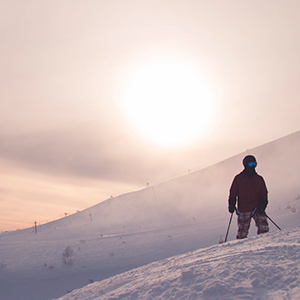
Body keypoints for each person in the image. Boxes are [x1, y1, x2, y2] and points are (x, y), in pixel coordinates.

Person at [228, 155, 269, 239]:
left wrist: (262, 205)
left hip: (257, 207)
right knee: (242, 231)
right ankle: (241, 247)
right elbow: (233, 192)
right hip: (244, 209)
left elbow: (264, 193)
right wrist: (231, 204)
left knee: (263, 227)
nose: (253, 166)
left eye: (254, 164)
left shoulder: (259, 179)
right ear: (245, 165)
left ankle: (263, 243)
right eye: (250, 164)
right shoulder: (239, 178)